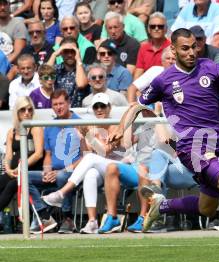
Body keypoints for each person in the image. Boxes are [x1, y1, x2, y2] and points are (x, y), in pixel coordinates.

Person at [109, 28, 219, 262]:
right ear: (173, 50)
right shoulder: (164, 80)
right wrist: (120, 127)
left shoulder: (211, 68)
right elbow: (137, 106)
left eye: (194, 47)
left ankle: (162, 206)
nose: (191, 52)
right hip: (191, 147)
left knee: (206, 208)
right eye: (185, 48)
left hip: (215, 146)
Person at [42, 93, 126, 234]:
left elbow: (104, 151)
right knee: (90, 175)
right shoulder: (91, 127)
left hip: (118, 168)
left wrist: (87, 135)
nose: (99, 109)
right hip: (100, 169)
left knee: (90, 160)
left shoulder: (116, 126)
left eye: (102, 106)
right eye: (96, 106)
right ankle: (92, 221)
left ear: (109, 108)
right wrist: (82, 137)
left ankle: (61, 193)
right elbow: (86, 154)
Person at [28, 89, 83, 233]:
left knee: (61, 176)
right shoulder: (49, 126)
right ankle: (44, 215)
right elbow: (48, 155)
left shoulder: (80, 123)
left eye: (61, 103)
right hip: (54, 172)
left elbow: (86, 156)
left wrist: (61, 171)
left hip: (73, 171)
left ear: (69, 103)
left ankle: (68, 218)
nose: (58, 107)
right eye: (55, 104)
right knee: (24, 175)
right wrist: (47, 171)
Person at [0, 97, 43, 216]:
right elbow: (8, 155)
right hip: (14, 172)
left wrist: (20, 167)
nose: (27, 113)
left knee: (10, 186)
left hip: (30, 171)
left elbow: (38, 154)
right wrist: (8, 170)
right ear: (17, 112)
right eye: (23, 110)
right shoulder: (11, 132)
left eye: (30, 110)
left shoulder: (36, 128)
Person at [47, 37, 89, 108]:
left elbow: (81, 84)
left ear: (77, 51)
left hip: (80, 113)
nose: (69, 55)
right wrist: (54, 55)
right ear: (61, 52)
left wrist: (78, 58)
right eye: (66, 51)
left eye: (72, 51)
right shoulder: (56, 69)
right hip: (60, 111)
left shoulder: (85, 68)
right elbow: (44, 75)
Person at [134, 12, 170, 80]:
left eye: (160, 26)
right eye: (153, 26)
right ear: (148, 29)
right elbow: (138, 75)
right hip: (145, 86)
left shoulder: (172, 48)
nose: (156, 29)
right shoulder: (143, 48)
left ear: (166, 29)